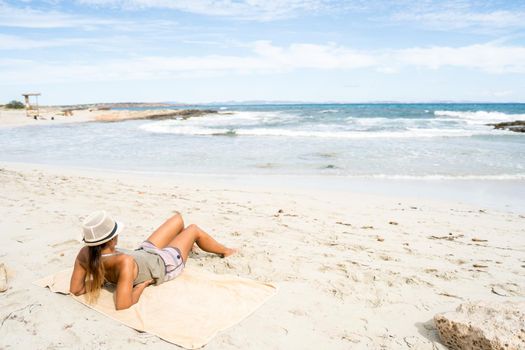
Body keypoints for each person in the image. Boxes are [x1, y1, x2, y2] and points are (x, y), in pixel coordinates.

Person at [70, 210, 237, 310]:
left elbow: (76, 289)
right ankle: (226, 251)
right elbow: (123, 304)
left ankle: (186, 245)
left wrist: (99, 281)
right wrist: (141, 286)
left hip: (144, 252)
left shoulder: (85, 253)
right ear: (111, 239)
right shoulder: (123, 262)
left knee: (178, 219)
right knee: (193, 229)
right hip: (165, 264)